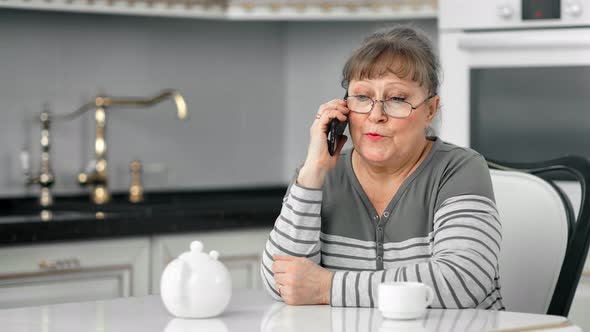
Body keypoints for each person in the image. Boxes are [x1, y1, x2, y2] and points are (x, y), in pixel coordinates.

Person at [260, 25, 504, 309]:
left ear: (430, 109)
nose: (376, 115)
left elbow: (462, 281)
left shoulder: (459, 169)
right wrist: (312, 173)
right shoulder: (319, 176)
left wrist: (327, 287)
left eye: (397, 99)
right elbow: (282, 283)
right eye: (362, 98)